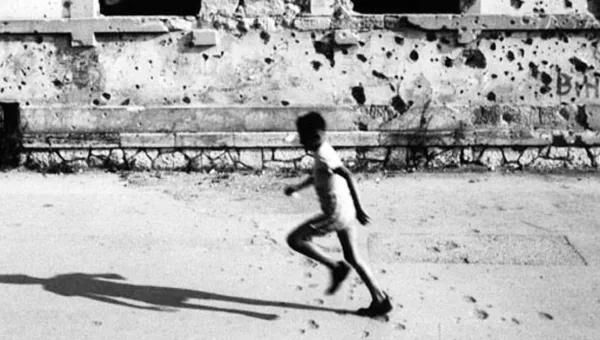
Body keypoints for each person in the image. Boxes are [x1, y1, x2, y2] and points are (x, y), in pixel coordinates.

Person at [284, 111, 392, 317]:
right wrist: (297, 188)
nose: (300, 141)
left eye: (303, 137)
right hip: (346, 210)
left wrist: (361, 209)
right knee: (353, 257)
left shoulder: (324, 155)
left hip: (335, 214)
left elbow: (348, 175)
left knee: (294, 239)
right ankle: (380, 299)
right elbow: (317, 176)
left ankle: (334, 267)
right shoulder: (322, 151)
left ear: (315, 136)